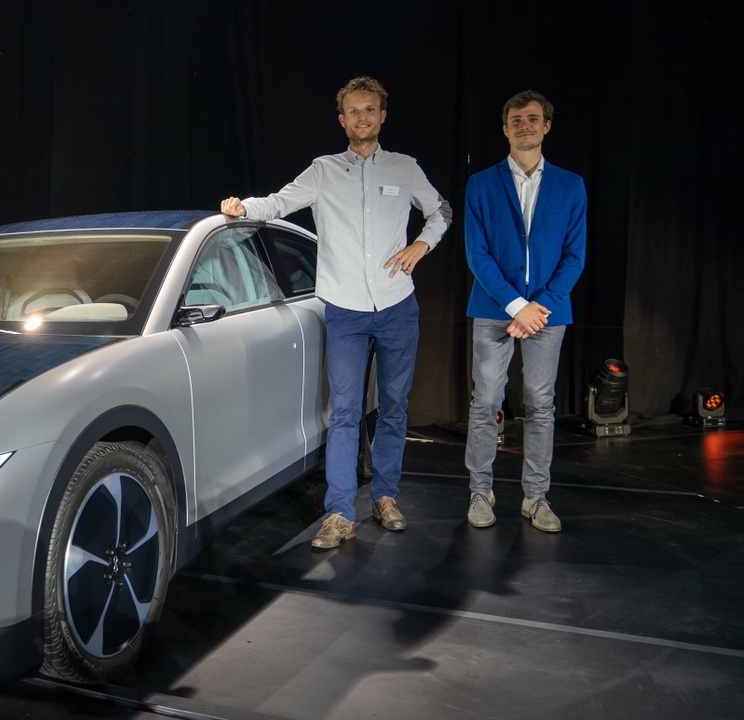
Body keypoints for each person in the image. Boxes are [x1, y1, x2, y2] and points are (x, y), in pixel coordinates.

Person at [220, 76, 451, 550]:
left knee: (393, 408)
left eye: (370, 109)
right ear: (342, 119)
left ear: (382, 116)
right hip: (345, 310)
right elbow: (279, 203)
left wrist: (421, 245)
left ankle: (385, 497)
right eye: (354, 111)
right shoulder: (323, 170)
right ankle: (341, 512)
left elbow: (441, 211)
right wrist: (242, 207)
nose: (362, 117)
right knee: (345, 412)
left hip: (396, 305)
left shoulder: (405, 167)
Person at [463, 90, 586, 533]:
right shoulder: (480, 184)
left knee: (540, 403)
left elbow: (574, 256)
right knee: (485, 401)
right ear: (505, 129)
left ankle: (535, 496)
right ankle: (480, 490)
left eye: (533, 118)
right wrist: (517, 306)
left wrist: (540, 307)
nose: (524, 126)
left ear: (546, 126)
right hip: (495, 308)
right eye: (516, 119)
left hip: (549, 314)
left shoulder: (571, 185)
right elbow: (477, 254)